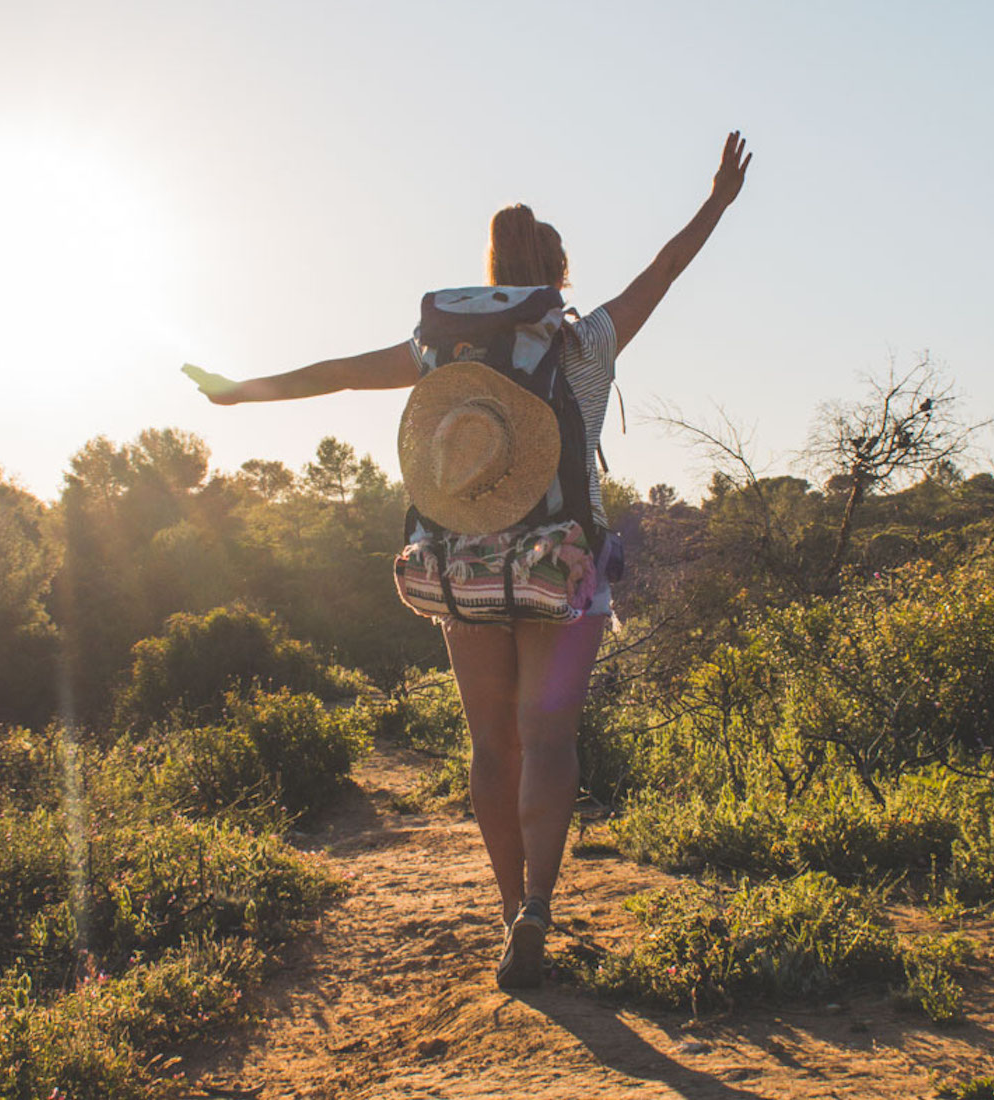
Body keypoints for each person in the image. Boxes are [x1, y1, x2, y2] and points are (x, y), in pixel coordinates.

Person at [186, 132, 752, 989]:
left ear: (490, 280)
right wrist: (716, 201)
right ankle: (539, 909)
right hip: (563, 568)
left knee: (492, 745)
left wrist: (241, 390)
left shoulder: (438, 349)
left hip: (464, 566)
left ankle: (506, 904)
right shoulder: (586, 342)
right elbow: (663, 271)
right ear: (555, 277)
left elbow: (340, 374)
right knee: (548, 739)